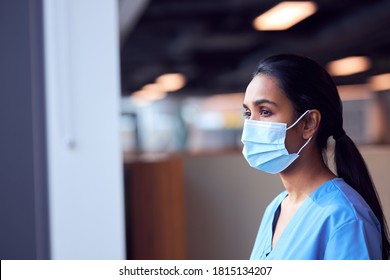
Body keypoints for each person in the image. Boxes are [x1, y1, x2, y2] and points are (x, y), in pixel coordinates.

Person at [241, 54, 390, 260]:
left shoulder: (345, 218)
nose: (251, 125)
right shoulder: (276, 208)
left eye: (265, 111)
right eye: (248, 113)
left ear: (309, 123)